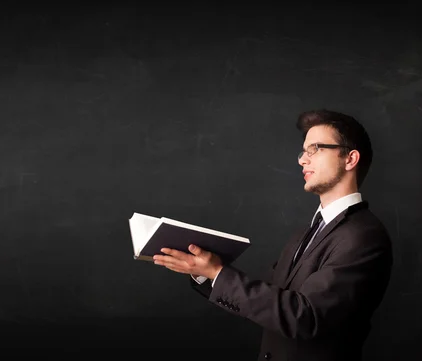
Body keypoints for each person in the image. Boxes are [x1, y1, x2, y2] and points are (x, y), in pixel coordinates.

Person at [153, 109, 393, 361]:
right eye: (303, 151)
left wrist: (217, 273)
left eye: (316, 149)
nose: (302, 160)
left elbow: (305, 317)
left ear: (350, 159)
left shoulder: (363, 237)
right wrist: (206, 272)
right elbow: (272, 300)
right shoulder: (306, 232)